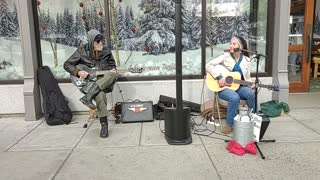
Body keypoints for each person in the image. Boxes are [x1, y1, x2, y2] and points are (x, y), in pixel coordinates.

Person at [64, 29, 118, 138]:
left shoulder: (106, 51)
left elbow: (113, 67)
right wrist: (78, 72)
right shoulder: (82, 51)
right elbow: (67, 64)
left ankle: (87, 97)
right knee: (100, 95)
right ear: (91, 42)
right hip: (88, 82)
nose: (101, 43)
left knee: (114, 74)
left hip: (104, 81)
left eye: (101, 40)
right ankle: (104, 125)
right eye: (97, 41)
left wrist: (111, 70)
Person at [206, 36, 255, 134]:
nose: (231, 46)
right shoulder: (225, 56)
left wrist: (251, 84)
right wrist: (219, 77)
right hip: (224, 87)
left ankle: (252, 119)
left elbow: (247, 77)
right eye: (230, 43)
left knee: (250, 93)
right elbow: (208, 65)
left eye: (234, 44)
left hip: (239, 86)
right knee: (234, 97)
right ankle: (229, 124)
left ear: (240, 47)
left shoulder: (246, 59)